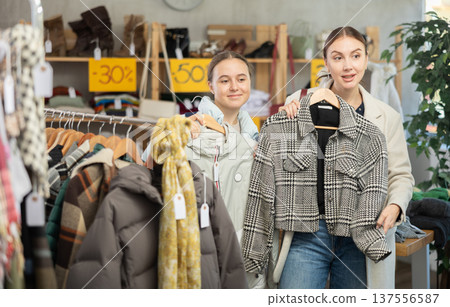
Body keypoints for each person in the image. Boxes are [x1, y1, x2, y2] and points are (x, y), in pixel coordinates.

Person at [279, 26, 414, 288]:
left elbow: (401, 175)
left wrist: (396, 205)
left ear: (366, 60)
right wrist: (287, 125)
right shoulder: (298, 102)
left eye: (355, 56)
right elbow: (281, 164)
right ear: (326, 63)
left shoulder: (386, 117)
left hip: (362, 235)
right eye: (338, 57)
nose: (348, 66)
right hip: (309, 232)